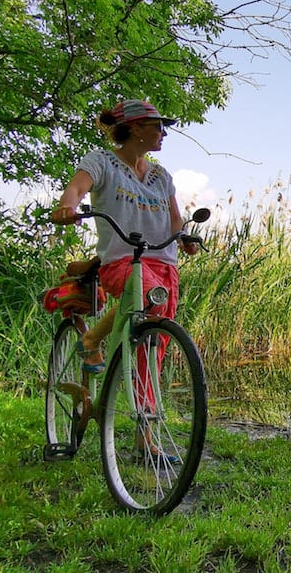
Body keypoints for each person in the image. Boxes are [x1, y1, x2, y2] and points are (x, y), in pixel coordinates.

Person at [51, 99, 199, 374]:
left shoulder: (161, 175)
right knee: (147, 299)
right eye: (158, 127)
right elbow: (77, 187)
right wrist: (67, 208)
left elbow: (174, 217)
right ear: (135, 128)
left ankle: (146, 410)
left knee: (156, 338)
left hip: (164, 262)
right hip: (123, 259)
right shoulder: (102, 162)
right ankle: (92, 338)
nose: (163, 134)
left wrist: (183, 237)